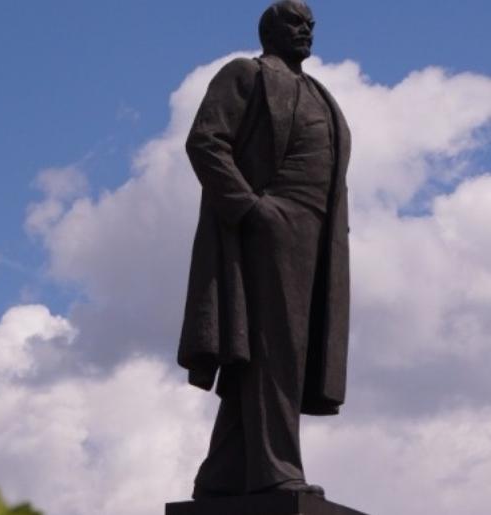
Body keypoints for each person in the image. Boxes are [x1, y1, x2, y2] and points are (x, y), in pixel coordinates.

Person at [178, 0, 351, 499]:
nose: (307, 32)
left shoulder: (320, 92)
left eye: (311, 25)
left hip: (317, 239)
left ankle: (223, 477)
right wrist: (250, 209)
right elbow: (205, 141)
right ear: (270, 30)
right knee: (278, 350)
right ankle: (276, 470)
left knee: (273, 353)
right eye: (297, 24)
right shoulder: (245, 75)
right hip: (268, 227)